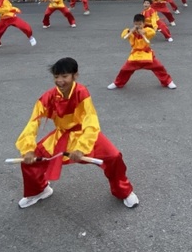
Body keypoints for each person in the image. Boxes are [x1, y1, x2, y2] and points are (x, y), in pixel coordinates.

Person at [15, 57, 139, 209]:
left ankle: (123, 191)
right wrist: (27, 149)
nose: (60, 81)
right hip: (61, 136)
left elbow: (91, 120)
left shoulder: (81, 92)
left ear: (75, 76)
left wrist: (81, 148)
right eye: (56, 77)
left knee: (114, 157)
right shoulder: (48, 96)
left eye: (64, 76)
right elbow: (33, 121)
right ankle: (39, 190)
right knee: (30, 160)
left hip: (84, 134)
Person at [108, 14, 176, 89]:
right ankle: (117, 83)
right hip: (135, 56)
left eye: (140, 24)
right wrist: (130, 31)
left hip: (147, 54)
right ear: (133, 23)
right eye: (136, 24)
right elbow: (123, 35)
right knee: (125, 70)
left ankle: (168, 82)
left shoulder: (147, 30)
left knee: (159, 67)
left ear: (143, 24)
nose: (138, 26)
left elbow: (152, 32)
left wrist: (143, 32)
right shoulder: (131, 32)